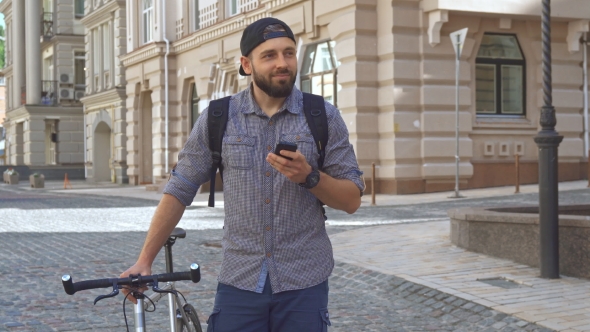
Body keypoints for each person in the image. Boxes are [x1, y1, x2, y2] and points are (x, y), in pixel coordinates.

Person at [120, 17, 364, 332]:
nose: (283, 63)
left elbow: (352, 200)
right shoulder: (218, 118)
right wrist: (144, 260)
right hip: (240, 281)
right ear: (246, 64)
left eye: (289, 53)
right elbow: (180, 188)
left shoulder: (322, 116)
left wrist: (310, 176)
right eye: (270, 55)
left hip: (304, 282)